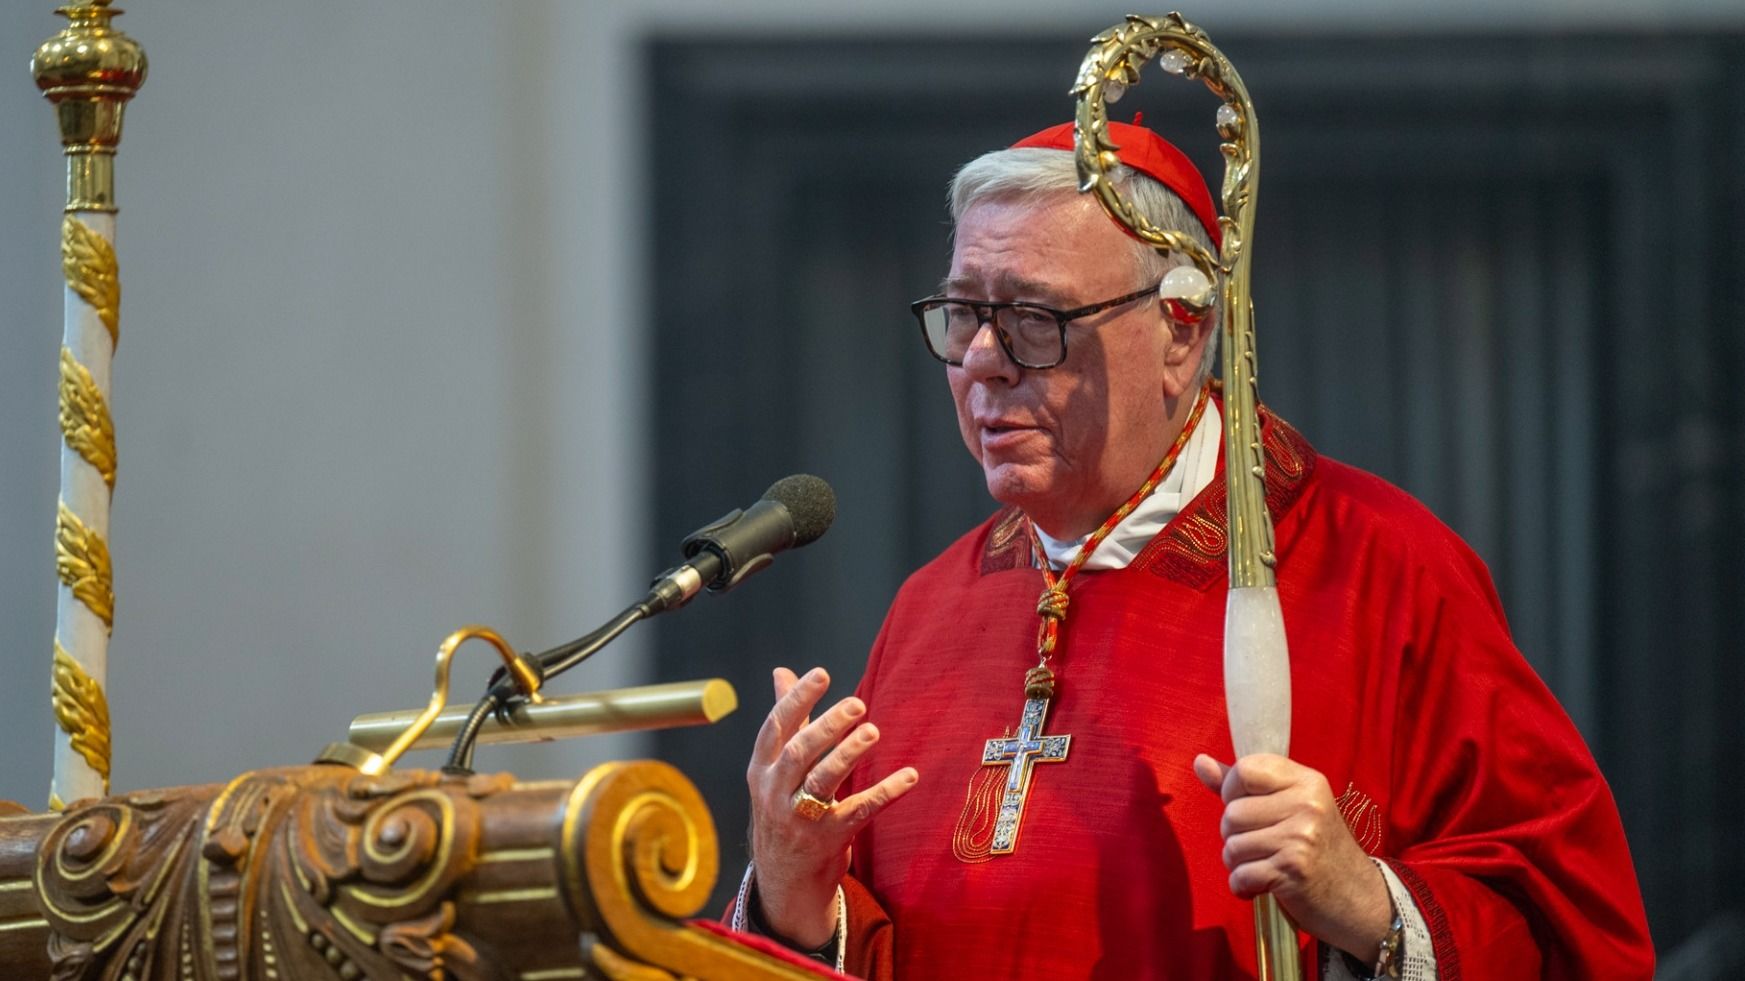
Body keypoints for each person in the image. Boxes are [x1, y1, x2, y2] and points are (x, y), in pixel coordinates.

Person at [730, 121, 1655, 979]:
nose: (982, 359)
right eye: (963, 313)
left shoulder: (1376, 566)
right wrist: (793, 896)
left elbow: (1567, 920)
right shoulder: (934, 606)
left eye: (1034, 320)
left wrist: (1366, 902)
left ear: (1183, 329)